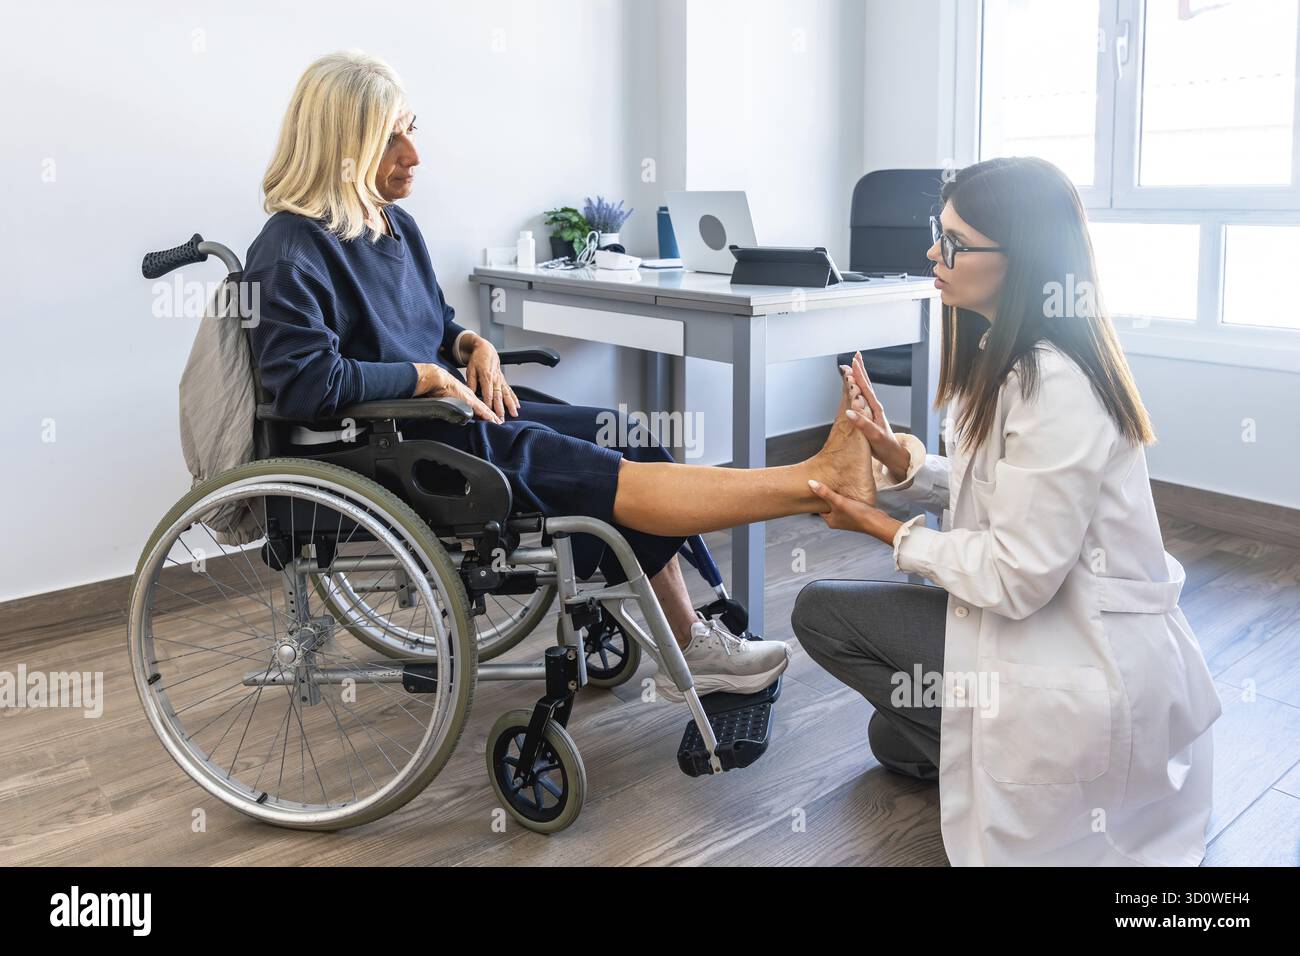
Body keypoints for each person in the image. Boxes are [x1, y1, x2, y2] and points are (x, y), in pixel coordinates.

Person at [244, 51, 877, 701]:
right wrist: (426, 378)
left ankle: (694, 630)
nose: (414, 154)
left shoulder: (393, 226)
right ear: (341, 148)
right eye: (391, 138)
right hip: (412, 451)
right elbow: (305, 385)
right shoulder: (289, 250)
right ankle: (806, 492)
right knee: (616, 480)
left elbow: (433, 323)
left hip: (461, 420)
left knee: (625, 434)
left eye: (413, 127)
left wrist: (473, 346)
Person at [790, 156, 1223, 866]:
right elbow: (1004, 490)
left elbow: (1019, 575)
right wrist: (906, 464)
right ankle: (969, 749)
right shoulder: (1011, 355)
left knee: (820, 613)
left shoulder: (1054, 381)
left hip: (1078, 655)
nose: (933, 251)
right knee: (887, 737)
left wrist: (885, 529)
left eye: (954, 242)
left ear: (1018, 261)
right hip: (1052, 625)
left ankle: (1004, 764)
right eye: (940, 232)